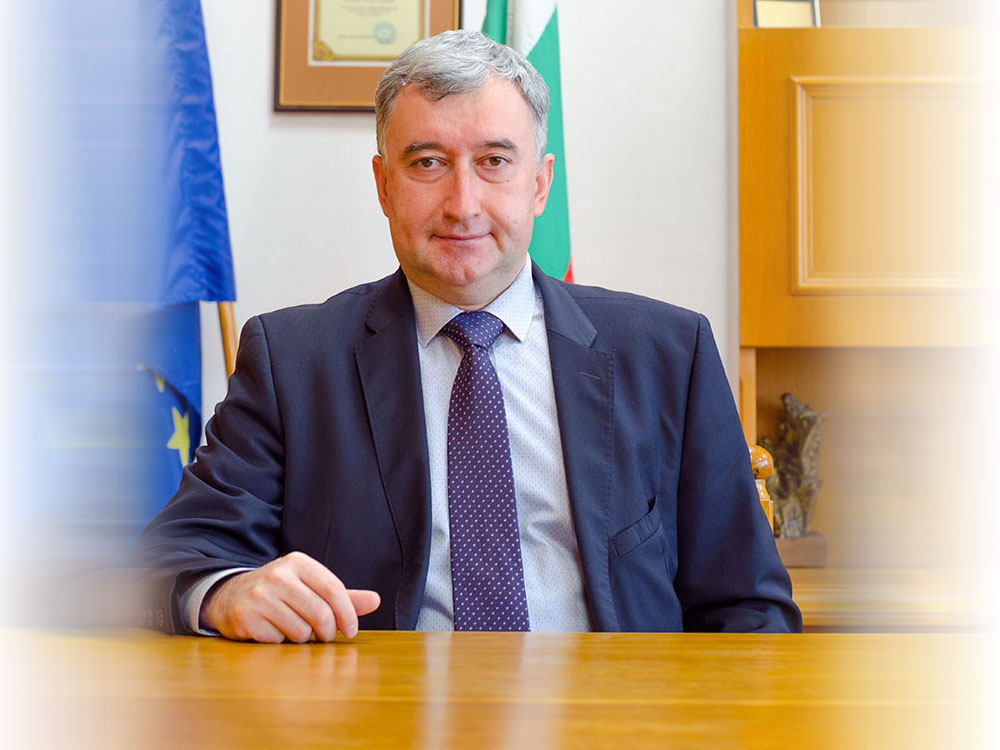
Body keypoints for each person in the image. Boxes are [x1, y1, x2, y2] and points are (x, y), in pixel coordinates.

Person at [133, 30, 801, 642]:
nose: (463, 204)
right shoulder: (294, 360)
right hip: (378, 714)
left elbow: (750, 609)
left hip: (612, 712)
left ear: (540, 184)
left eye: (494, 161)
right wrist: (223, 592)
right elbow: (169, 561)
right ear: (383, 186)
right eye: (427, 163)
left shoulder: (669, 354)